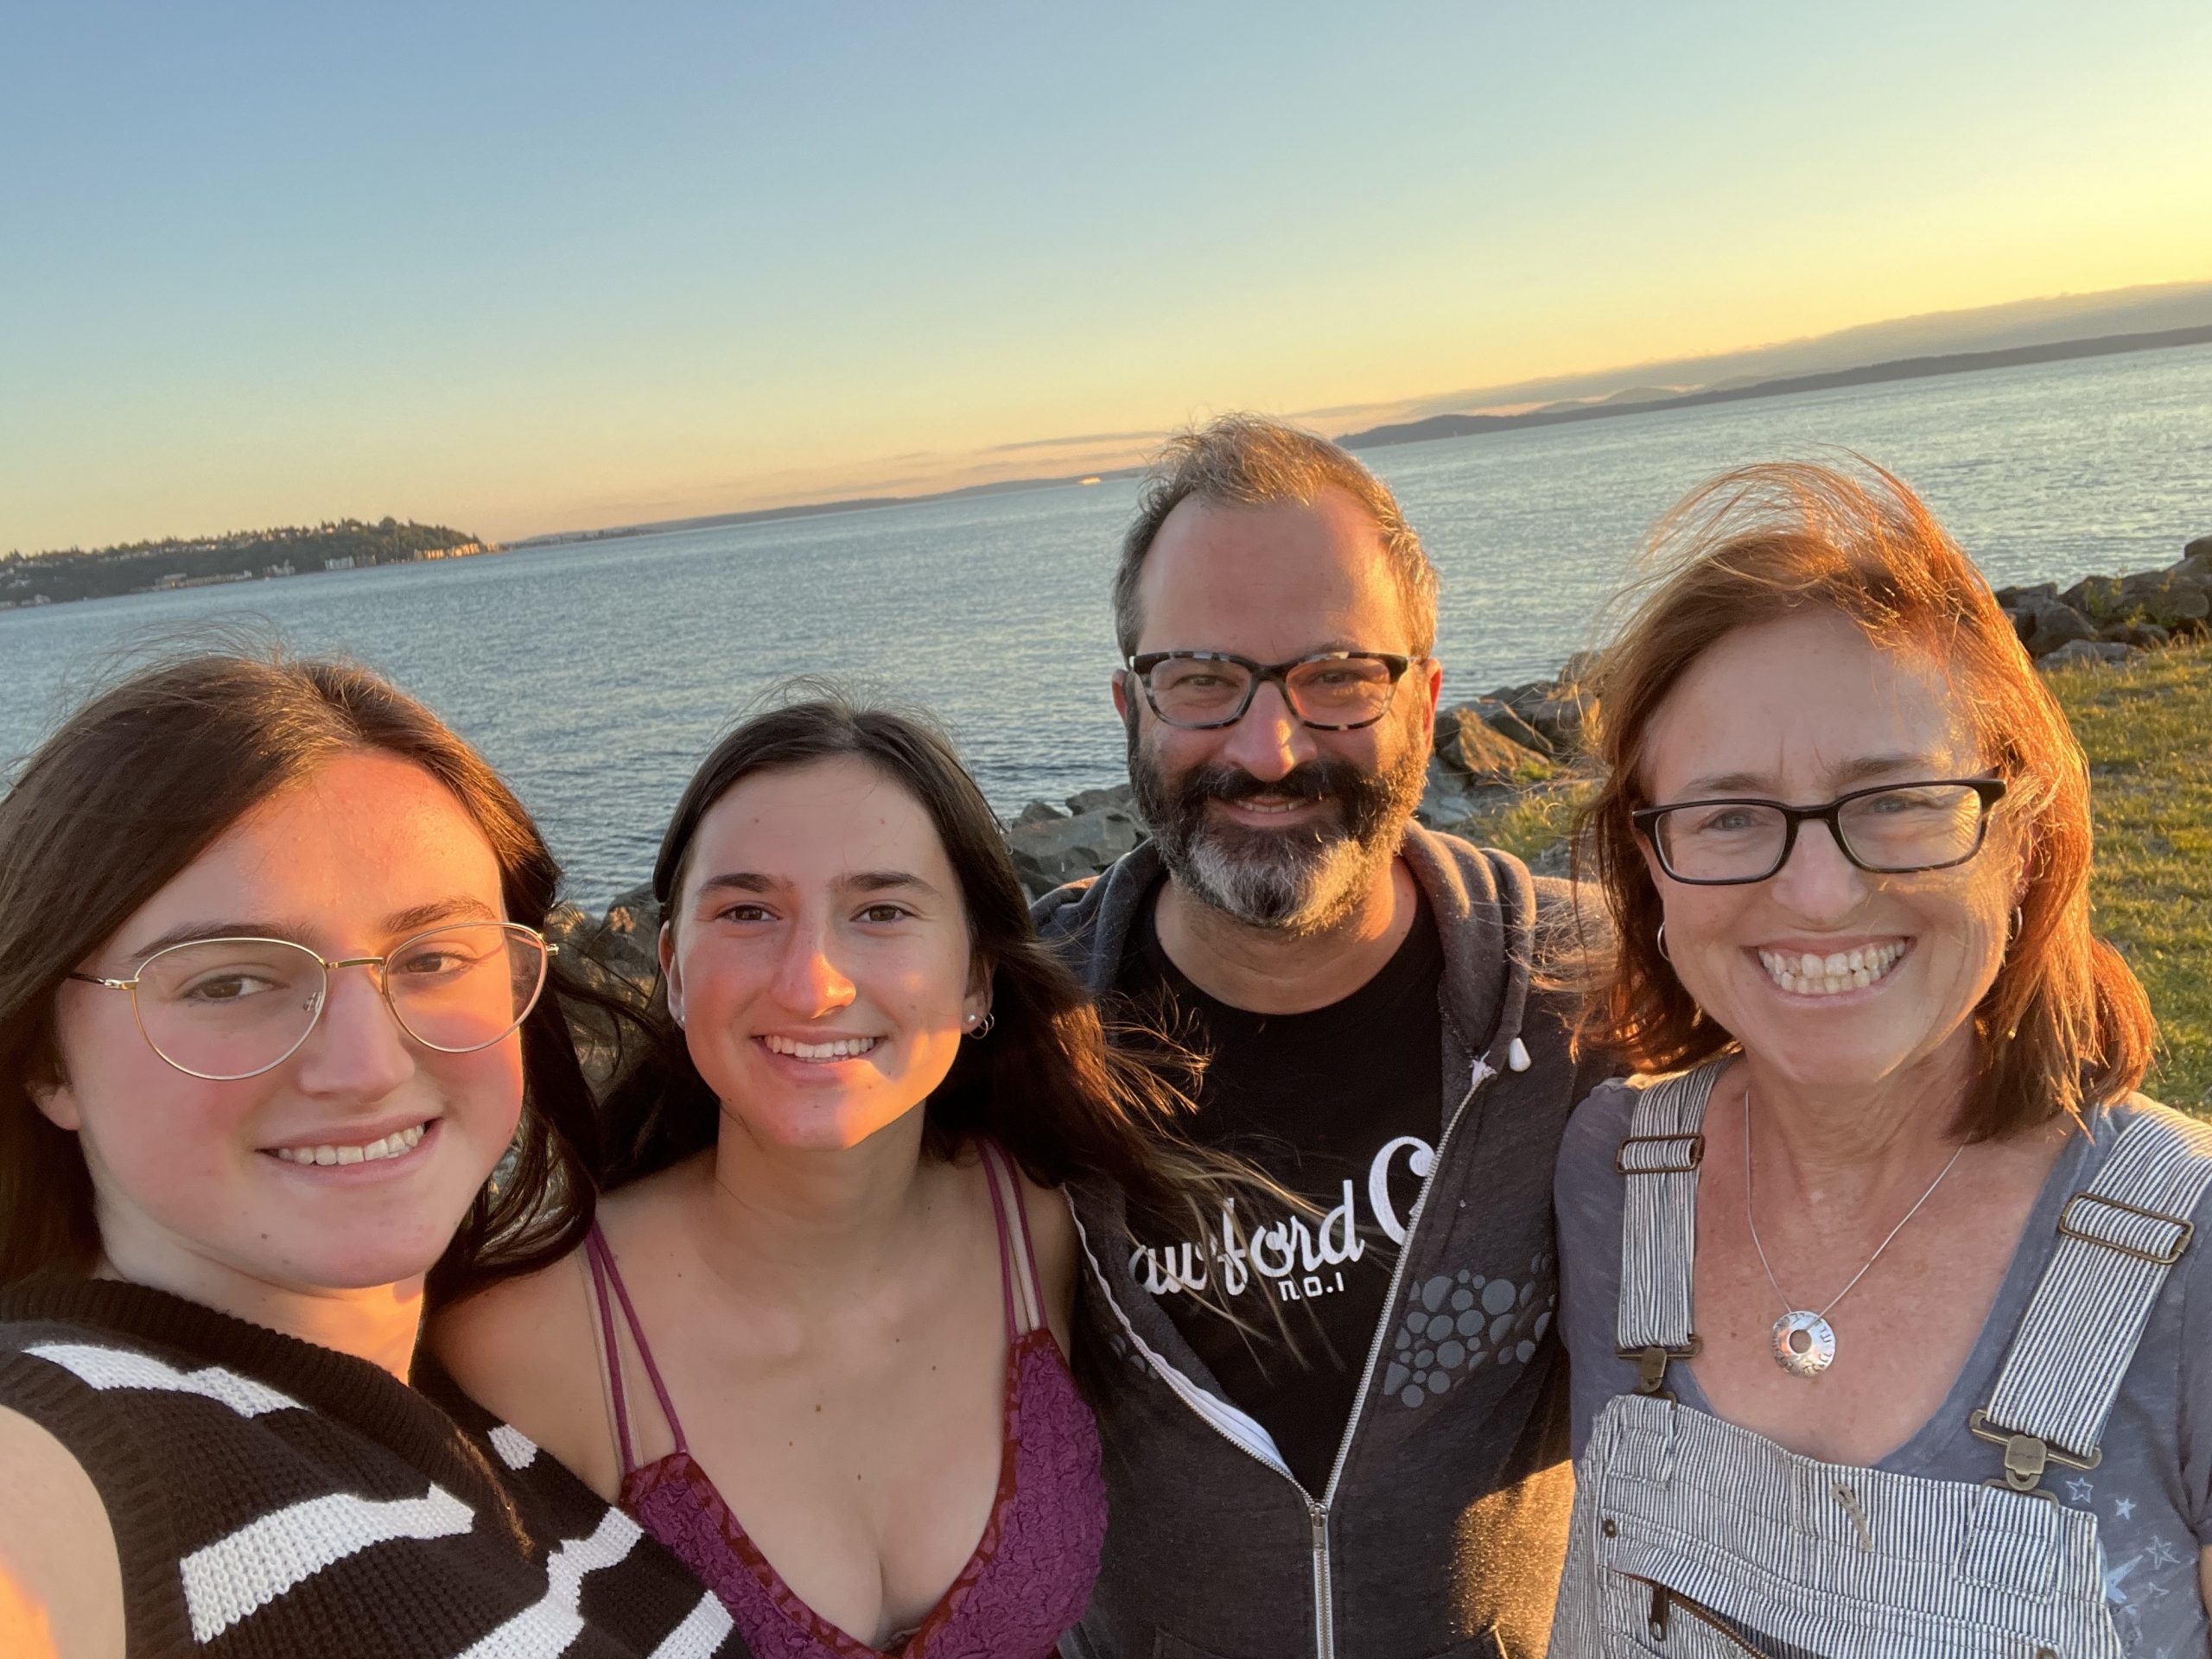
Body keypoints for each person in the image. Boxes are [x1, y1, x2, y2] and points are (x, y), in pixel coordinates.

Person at [435, 695, 1258, 1659]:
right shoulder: (525, 1338)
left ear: (974, 978)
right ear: (672, 968)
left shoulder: (1043, 1223)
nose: (812, 983)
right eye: (747, 911)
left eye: (881, 911)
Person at [1548, 461, 2212, 1656]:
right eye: (1728, 814)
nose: (1818, 893)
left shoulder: (2193, 1264)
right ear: (1647, 865)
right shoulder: (1610, 1170)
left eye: (1898, 798)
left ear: (2022, 838)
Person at [0, 651, 743, 1659]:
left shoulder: (467, 1403)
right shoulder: (64, 1449)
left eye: (434, 958)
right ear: (48, 1059)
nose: (363, 1063)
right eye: (227, 983)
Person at [1035, 416, 1608, 1659]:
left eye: (1338, 675)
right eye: (1202, 681)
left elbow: (1857, 1050)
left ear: (1429, 698)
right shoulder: (1007, 1027)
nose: (1268, 748)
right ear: (1129, 705)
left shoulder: (1595, 991)